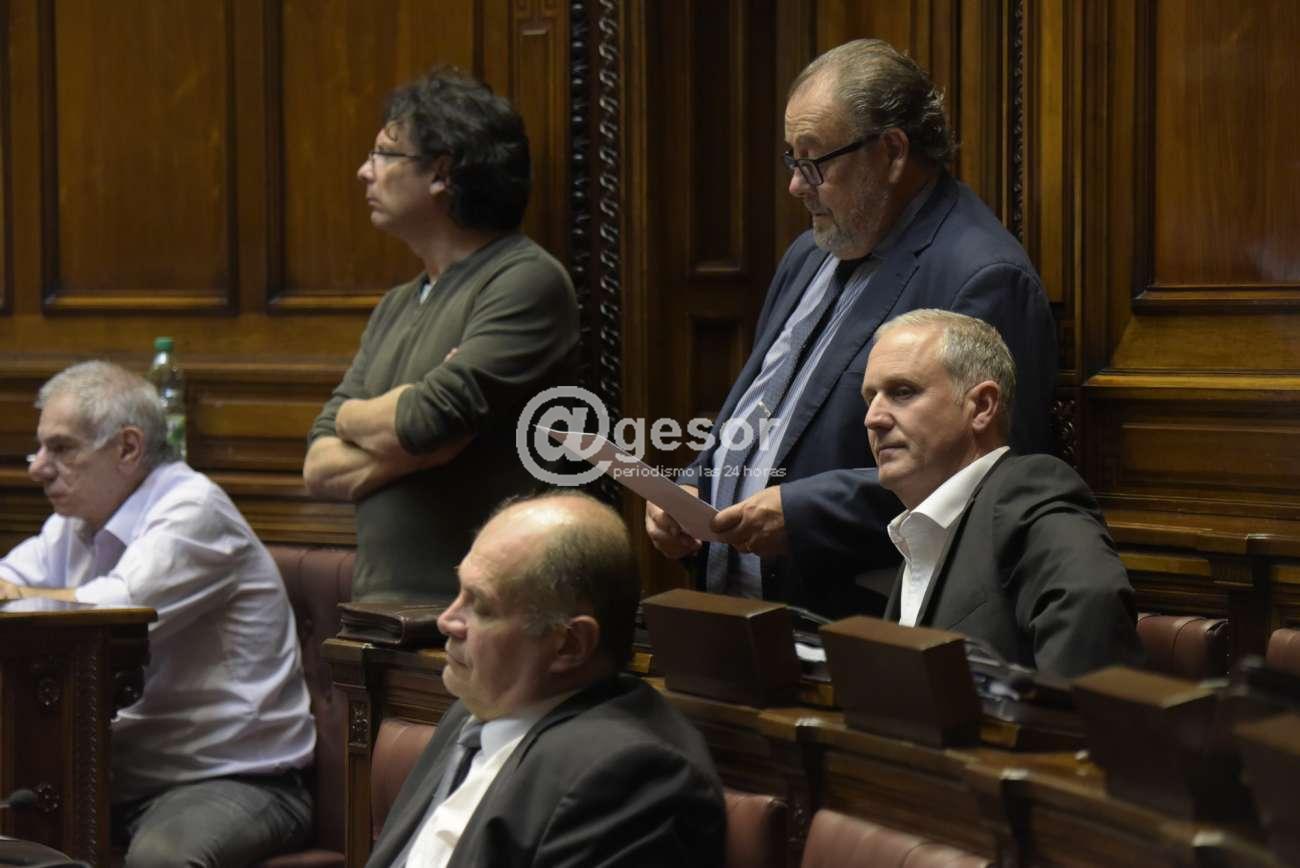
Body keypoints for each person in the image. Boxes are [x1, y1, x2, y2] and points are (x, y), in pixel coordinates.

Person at [646, 38, 1058, 619]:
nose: (796, 186)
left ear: (891, 152)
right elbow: (762, 407)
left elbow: (985, 480)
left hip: (853, 626)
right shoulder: (809, 254)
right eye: (792, 161)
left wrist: (805, 513)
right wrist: (696, 485)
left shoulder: (983, 277)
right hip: (738, 612)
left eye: (814, 162)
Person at [0, 361, 316, 867]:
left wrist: (16, 591)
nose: (37, 468)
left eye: (60, 448)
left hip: (232, 780)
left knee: (159, 862)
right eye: (39, 448)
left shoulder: (194, 510)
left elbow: (115, 610)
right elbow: (9, 583)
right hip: (109, 778)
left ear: (128, 448)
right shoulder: (75, 522)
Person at [304, 68, 579, 602]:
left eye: (384, 155)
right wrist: (411, 441)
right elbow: (318, 464)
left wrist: (371, 421)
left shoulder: (525, 280)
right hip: (378, 614)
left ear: (441, 174)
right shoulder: (396, 304)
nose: (364, 171)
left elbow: (427, 419)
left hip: (488, 615)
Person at [367, 491, 726, 868]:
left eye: (482, 606)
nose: (446, 621)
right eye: (459, 592)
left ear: (569, 644)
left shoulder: (633, 779)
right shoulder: (471, 713)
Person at [862, 310, 1143, 678]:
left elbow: (1094, 602)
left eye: (902, 392)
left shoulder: (1026, 491)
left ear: (981, 406)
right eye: (870, 398)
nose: (873, 418)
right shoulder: (925, 531)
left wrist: (1044, 716)